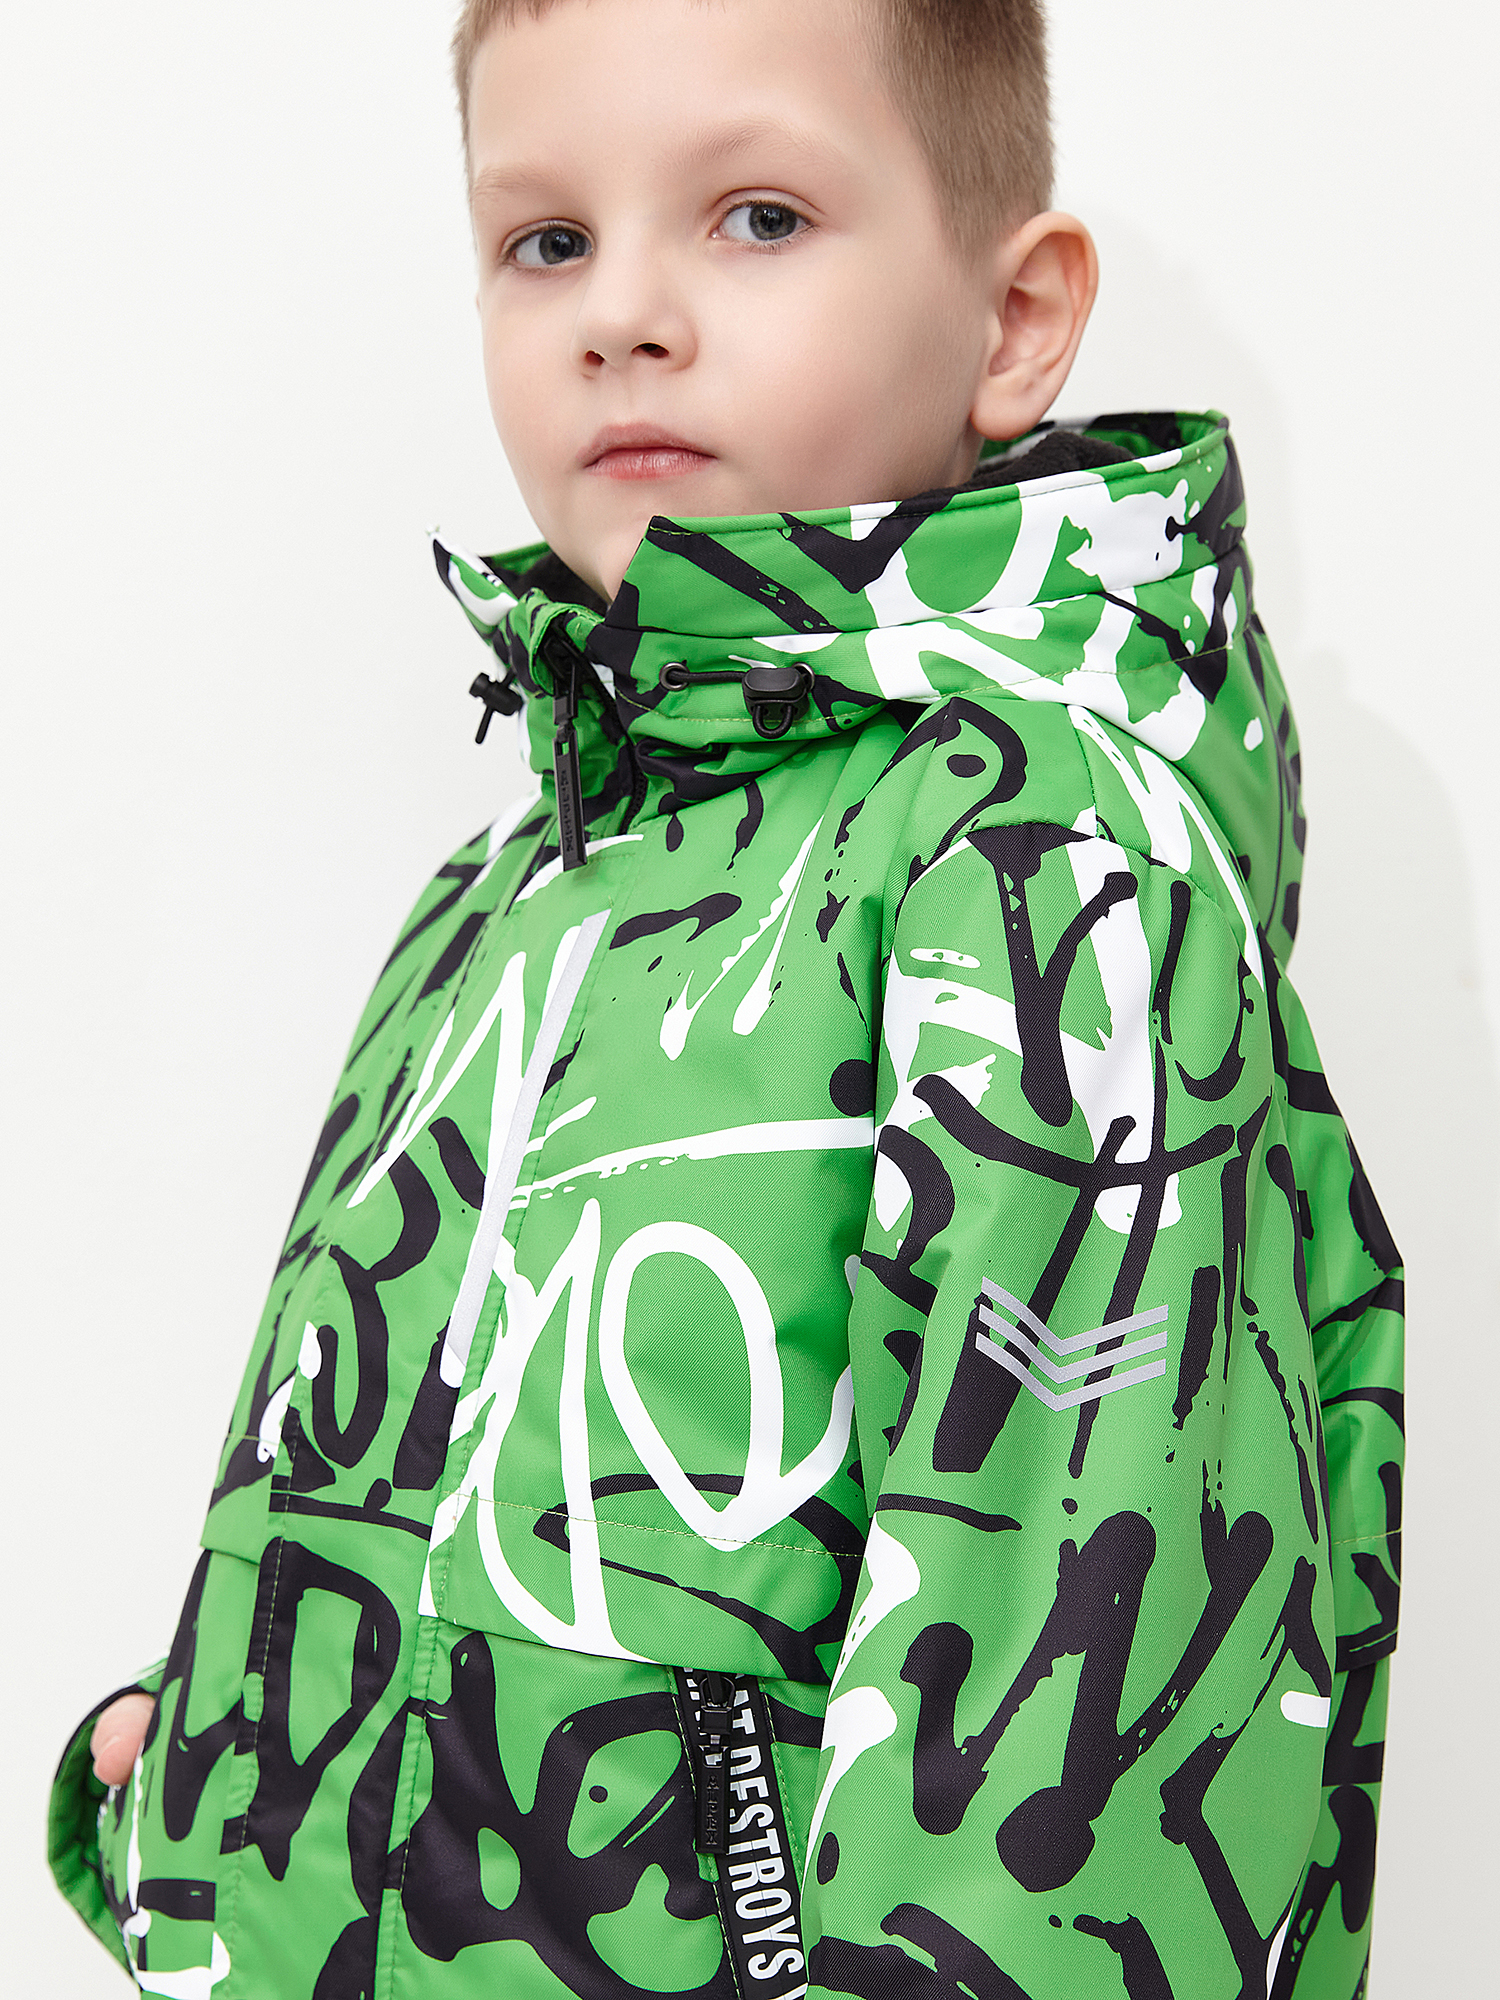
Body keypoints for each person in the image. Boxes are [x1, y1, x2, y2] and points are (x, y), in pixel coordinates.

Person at [49, 0, 1404, 1994]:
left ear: (1016, 318)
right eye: (547, 240)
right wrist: (215, 1798)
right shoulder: (505, 894)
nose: (623, 313)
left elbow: (1073, 1741)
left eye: (758, 216)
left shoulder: (1040, 869)